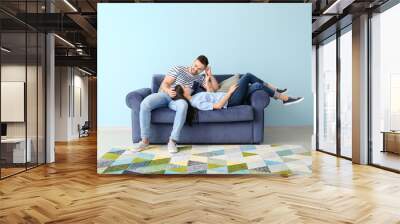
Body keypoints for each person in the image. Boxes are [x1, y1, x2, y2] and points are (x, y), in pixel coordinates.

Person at [136, 55, 217, 153]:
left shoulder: (199, 78)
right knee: (145, 103)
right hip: (165, 95)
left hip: (178, 100)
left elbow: (214, 90)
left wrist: (210, 75)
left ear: (203, 70)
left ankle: (172, 141)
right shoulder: (178, 69)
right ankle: (145, 140)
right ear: (193, 61)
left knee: (184, 105)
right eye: (195, 65)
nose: (195, 69)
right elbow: (164, 83)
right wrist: (168, 90)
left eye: (199, 69)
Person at [184, 73, 304, 111]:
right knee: (247, 76)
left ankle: (283, 98)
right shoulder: (195, 102)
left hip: (230, 96)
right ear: (184, 94)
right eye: (185, 88)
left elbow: (211, 94)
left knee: (257, 85)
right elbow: (218, 105)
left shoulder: (196, 95)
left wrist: (208, 78)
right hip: (231, 100)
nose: (188, 87)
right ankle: (282, 96)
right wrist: (230, 92)